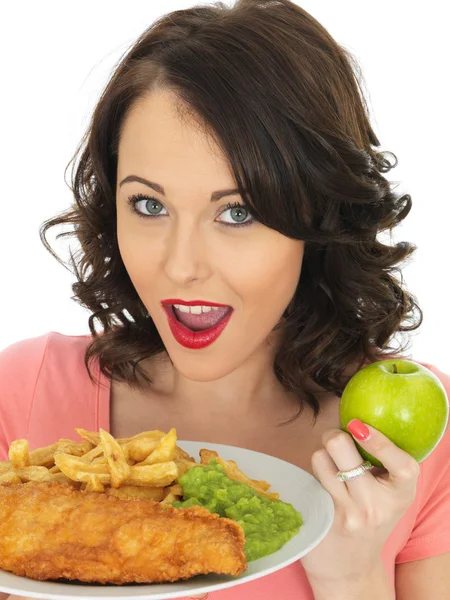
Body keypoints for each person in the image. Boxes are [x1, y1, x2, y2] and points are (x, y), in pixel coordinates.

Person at [1, 0, 449, 598]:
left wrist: (354, 575)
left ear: (318, 216)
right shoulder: (23, 395)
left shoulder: (412, 447)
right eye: (149, 205)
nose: (182, 267)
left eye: (237, 212)